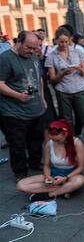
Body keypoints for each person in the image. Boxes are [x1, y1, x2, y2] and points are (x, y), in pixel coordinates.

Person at [45, 28, 84, 158]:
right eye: (61, 42)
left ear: (70, 40)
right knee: (67, 122)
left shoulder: (78, 51)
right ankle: (69, 149)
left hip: (79, 89)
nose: (63, 44)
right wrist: (63, 73)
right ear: (56, 41)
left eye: (66, 41)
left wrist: (78, 69)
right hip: (63, 91)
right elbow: (53, 79)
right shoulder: (51, 56)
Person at [0, 31, 46, 182]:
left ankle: (34, 162)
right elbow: (0, 84)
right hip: (14, 111)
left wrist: (43, 99)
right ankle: (20, 171)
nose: (32, 52)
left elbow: (38, 77)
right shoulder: (5, 58)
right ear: (18, 42)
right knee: (17, 143)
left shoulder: (33, 56)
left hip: (35, 107)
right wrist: (18, 95)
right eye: (29, 48)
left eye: (35, 48)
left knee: (36, 138)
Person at [16, 119, 84, 201]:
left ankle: (49, 195)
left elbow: (80, 167)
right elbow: (46, 166)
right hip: (54, 174)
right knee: (20, 185)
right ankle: (65, 190)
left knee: (79, 181)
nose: (55, 142)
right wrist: (48, 177)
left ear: (65, 134)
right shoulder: (49, 144)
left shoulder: (77, 143)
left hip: (71, 175)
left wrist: (65, 178)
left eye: (57, 140)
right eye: (53, 139)